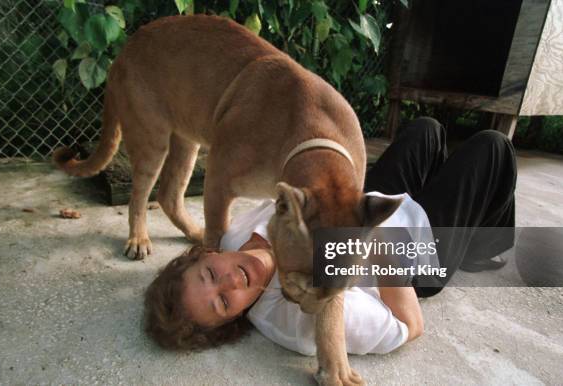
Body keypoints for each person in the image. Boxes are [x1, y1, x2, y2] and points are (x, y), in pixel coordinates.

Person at [144, 117, 517, 352]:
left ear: (206, 254)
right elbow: (410, 325)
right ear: (235, 319)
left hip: (363, 205)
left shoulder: (233, 234)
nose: (229, 282)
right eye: (224, 303)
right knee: (493, 147)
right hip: (416, 254)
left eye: (210, 275)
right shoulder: (293, 321)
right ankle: (485, 243)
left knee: (426, 129)